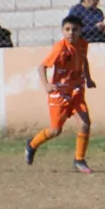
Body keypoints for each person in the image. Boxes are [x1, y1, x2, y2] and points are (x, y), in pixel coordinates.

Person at [25, 15, 96, 174]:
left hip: (76, 91)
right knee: (55, 130)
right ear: (62, 31)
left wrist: (89, 79)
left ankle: (79, 160)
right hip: (60, 94)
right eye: (67, 29)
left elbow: (84, 61)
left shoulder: (83, 44)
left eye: (75, 29)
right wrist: (46, 85)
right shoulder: (60, 48)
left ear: (81, 31)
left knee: (85, 123)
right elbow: (42, 67)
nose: (71, 33)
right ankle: (32, 144)